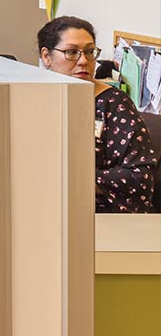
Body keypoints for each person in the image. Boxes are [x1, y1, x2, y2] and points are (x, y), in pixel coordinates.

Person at [38, 16, 157, 213]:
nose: (83, 61)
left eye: (89, 52)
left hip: (102, 216)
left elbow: (140, 179)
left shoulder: (114, 104)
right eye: (72, 52)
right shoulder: (29, 98)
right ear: (46, 56)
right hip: (45, 209)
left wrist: (72, 180)